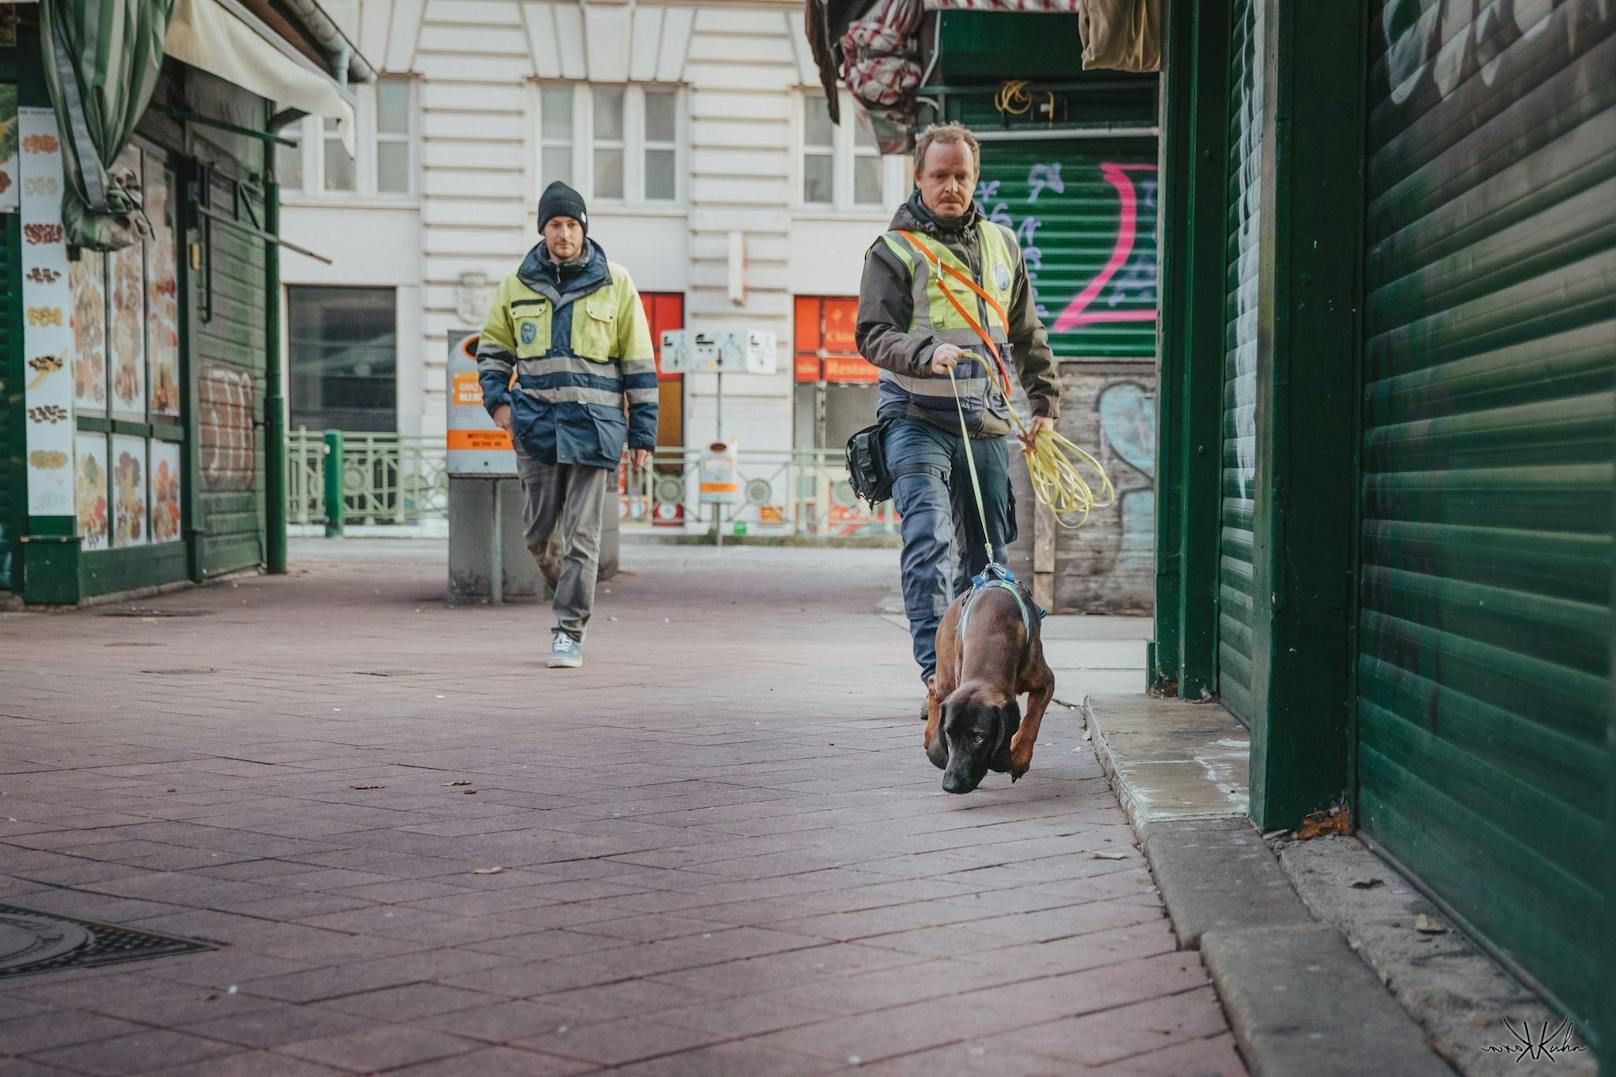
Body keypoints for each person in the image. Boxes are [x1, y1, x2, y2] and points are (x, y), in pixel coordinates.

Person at [855, 122, 1061, 703]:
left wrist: (1043, 402)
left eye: (961, 176)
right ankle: (935, 674)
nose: (951, 186)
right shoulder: (892, 250)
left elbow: (1025, 330)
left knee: (990, 555)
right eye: (939, 175)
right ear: (918, 177)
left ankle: (981, 669)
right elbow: (872, 335)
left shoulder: (1002, 243)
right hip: (914, 418)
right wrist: (924, 352)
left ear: (975, 178)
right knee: (928, 542)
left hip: (984, 423)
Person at [476, 181, 657, 668]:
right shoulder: (516, 284)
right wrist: (499, 405)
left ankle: (568, 630)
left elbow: (639, 362)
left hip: (595, 429)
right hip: (534, 427)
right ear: (542, 230)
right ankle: (571, 593)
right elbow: (493, 351)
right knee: (538, 536)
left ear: (584, 229)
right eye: (555, 224)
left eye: (572, 225)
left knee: (583, 537)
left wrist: (642, 432)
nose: (564, 233)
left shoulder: (615, 282)